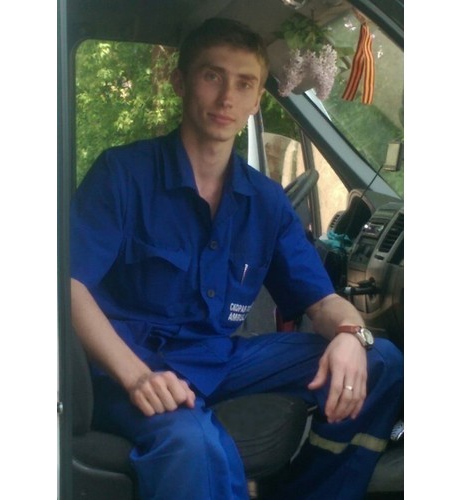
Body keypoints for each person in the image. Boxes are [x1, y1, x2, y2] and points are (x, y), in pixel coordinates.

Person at [69, 17, 403, 499]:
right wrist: (135, 375)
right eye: (213, 76)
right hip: (138, 365)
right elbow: (68, 283)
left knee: (380, 360)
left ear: (257, 98)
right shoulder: (123, 175)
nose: (227, 97)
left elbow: (322, 301)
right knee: (194, 446)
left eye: (244, 83)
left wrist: (353, 335)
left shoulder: (265, 201)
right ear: (181, 82)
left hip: (221, 359)